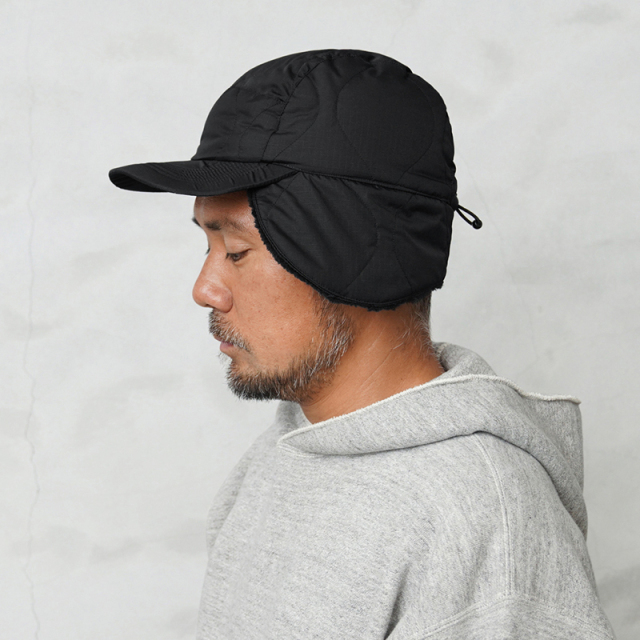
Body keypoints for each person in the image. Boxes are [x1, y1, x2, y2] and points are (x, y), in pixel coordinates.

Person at [109, 49, 615, 639]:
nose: (204, 290)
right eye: (208, 246)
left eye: (237, 252)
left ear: (349, 253)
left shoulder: (482, 519)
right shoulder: (283, 452)